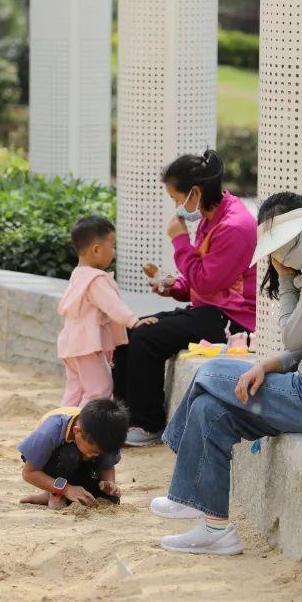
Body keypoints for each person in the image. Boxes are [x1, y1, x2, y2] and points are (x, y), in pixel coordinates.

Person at [151, 192, 302, 555]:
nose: (281, 256)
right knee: (209, 410)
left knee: (210, 372)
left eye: (285, 244)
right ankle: (215, 530)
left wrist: (283, 280)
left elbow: (293, 335)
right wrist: (265, 365)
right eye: (275, 249)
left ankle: (184, 485)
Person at [112, 149, 257, 446]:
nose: (177, 207)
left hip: (233, 321)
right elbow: (202, 278)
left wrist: (179, 240)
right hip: (211, 309)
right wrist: (173, 287)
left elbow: (205, 281)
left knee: (147, 338)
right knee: (132, 331)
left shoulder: (234, 226)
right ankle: (122, 416)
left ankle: (147, 424)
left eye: (176, 198)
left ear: (196, 192)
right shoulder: (211, 216)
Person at [57, 216, 158, 407]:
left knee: (75, 390)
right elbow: (113, 306)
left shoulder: (78, 274)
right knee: (99, 390)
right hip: (86, 346)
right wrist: (134, 321)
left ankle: (60, 423)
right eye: (112, 246)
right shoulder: (96, 279)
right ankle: (86, 425)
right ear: (96, 249)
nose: (114, 252)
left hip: (71, 344)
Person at [18, 399, 130, 510]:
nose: (95, 456)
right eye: (93, 452)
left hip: (78, 466)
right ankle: (55, 494)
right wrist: (66, 489)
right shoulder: (49, 431)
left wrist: (109, 483)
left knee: (111, 499)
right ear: (77, 431)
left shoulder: (108, 436)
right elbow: (29, 473)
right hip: (48, 460)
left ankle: (52, 494)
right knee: (70, 455)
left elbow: (108, 466)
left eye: (101, 453)